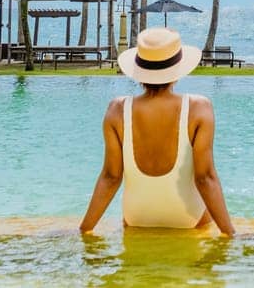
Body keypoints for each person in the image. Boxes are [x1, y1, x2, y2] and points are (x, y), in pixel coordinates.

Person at [79, 27, 236, 235]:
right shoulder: (199, 108)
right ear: (177, 70)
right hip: (187, 218)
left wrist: (84, 229)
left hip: (136, 217)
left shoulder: (117, 110)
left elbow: (110, 177)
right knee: (205, 217)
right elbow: (205, 178)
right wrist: (231, 233)